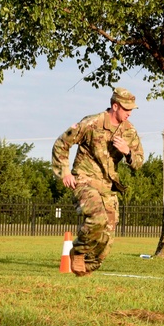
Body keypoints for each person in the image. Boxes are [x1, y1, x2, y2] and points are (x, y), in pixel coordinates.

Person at [52, 87, 145, 277]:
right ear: (115, 106)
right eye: (126, 109)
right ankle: (78, 251)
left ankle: (88, 267)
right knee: (97, 218)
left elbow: (139, 162)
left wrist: (127, 152)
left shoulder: (129, 131)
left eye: (132, 110)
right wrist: (65, 172)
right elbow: (62, 143)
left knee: (107, 235)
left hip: (108, 186)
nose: (129, 113)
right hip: (84, 180)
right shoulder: (92, 123)